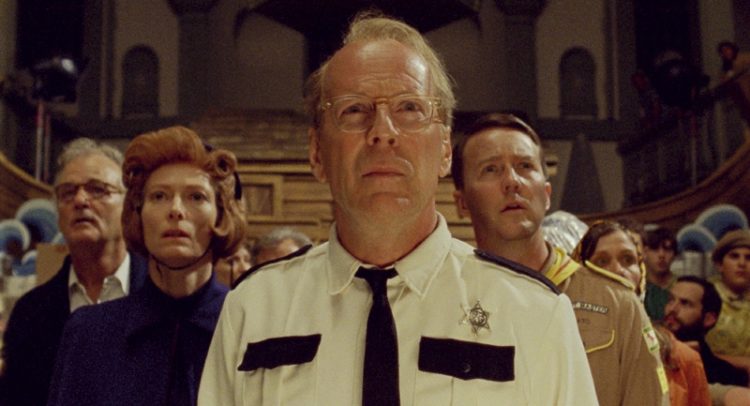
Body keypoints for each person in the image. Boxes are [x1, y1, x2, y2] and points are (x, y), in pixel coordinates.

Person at [199, 13, 597, 405]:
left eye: (409, 108)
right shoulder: (254, 310)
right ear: (317, 153)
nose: (383, 132)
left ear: (445, 150)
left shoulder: (534, 315)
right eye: (354, 110)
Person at [452, 113, 668, 406]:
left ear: (547, 194)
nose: (512, 181)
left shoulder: (617, 303)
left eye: (525, 166)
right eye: (491, 169)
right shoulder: (445, 300)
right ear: (462, 202)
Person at [47, 126, 247, 405]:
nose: (175, 210)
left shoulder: (248, 327)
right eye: (159, 196)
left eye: (196, 196)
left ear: (221, 215)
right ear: (137, 214)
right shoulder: (88, 332)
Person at [0, 138, 148, 406]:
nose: (80, 200)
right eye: (67, 193)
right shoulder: (30, 313)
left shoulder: (161, 297)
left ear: (129, 205)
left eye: (97, 189)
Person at [664, 276, 750, 405]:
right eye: (671, 300)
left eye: (685, 303)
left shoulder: (726, 375)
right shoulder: (649, 346)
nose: (672, 309)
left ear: (708, 319)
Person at [705, 229, 750, 358]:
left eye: (748, 258)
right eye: (734, 256)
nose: (742, 263)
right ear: (720, 265)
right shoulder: (704, 297)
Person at [644, 226, 678, 320]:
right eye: (655, 249)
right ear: (645, 253)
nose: (661, 255)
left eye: (667, 250)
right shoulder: (637, 287)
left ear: (674, 255)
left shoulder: (681, 286)